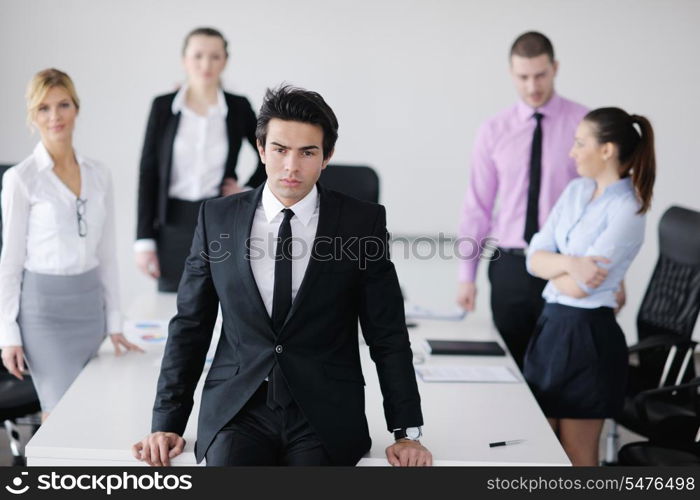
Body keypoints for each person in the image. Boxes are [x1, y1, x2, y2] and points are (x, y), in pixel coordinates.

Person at [133, 85, 432, 466]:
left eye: (308, 152)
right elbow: (191, 325)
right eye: (280, 150)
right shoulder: (217, 219)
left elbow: (387, 332)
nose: (292, 166)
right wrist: (167, 422)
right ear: (260, 150)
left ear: (327, 157)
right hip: (237, 411)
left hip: (324, 413)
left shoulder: (361, 223)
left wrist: (407, 431)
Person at [0, 69, 142, 421]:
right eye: (44, 108)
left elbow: (107, 254)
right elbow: (11, 261)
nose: (55, 116)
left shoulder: (98, 173)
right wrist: (8, 334)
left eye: (63, 104)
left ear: (76, 108)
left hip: (89, 308)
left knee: (94, 414)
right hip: (44, 316)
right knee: (59, 417)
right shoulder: (22, 178)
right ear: (33, 117)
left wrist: (114, 322)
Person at [524, 107, 656, 466]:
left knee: (577, 456)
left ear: (607, 150)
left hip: (588, 341)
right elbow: (532, 257)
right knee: (539, 450)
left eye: (580, 143)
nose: (572, 151)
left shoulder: (629, 208)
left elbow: (582, 288)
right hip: (551, 328)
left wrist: (554, 266)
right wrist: (569, 263)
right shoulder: (576, 190)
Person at [456, 32, 589, 369]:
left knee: (560, 369)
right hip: (510, 265)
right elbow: (478, 206)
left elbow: (597, 202)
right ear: (511, 74)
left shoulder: (584, 125)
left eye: (540, 75)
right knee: (512, 368)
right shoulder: (493, 130)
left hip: (564, 264)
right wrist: (466, 275)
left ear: (555, 68)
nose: (533, 86)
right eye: (523, 77)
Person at [135, 27, 267, 292]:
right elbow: (147, 173)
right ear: (184, 60)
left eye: (215, 56)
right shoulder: (163, 106)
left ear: (225, 61)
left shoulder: (238, 106)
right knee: (173, 305)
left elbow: (270, 153)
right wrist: (144, 240)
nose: (206, 64)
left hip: (219, 220)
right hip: (171, 223)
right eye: (198, 56)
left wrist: (248, 190)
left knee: (221, 299)